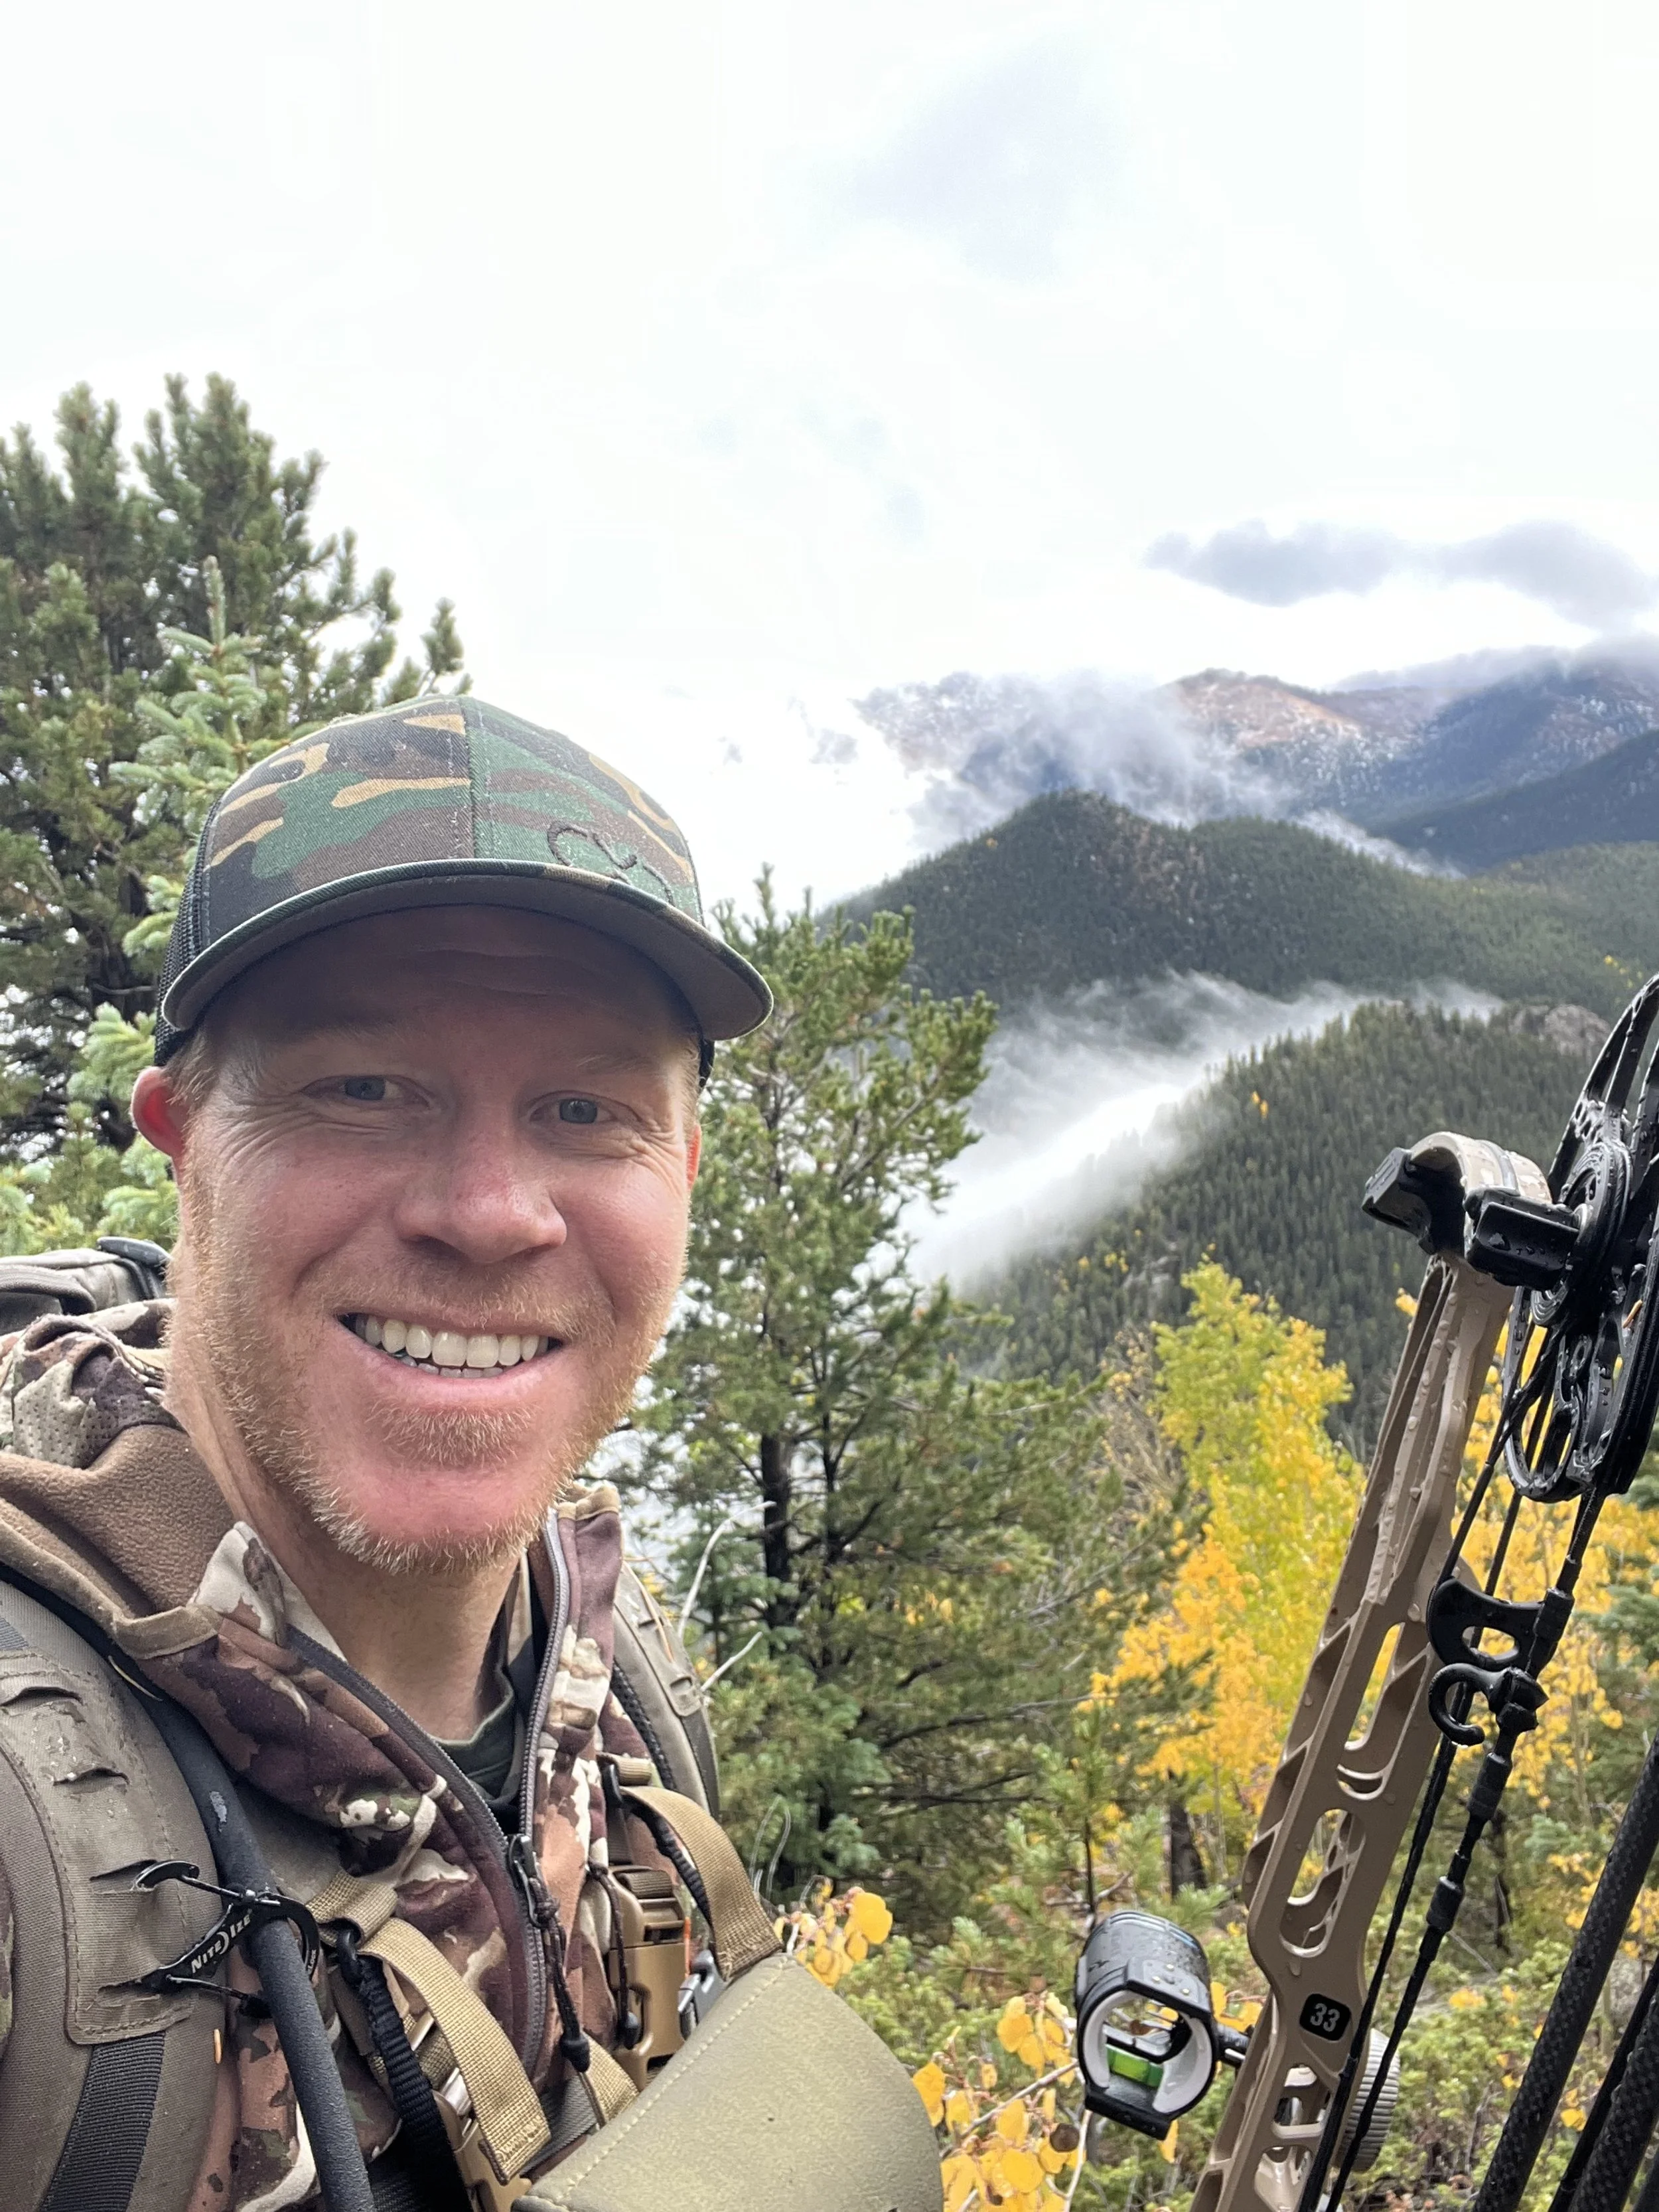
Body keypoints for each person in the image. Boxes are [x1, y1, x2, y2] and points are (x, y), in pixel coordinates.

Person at [0, 699, 939, 2212]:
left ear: (683, 1168)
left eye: (587, 1109)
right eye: (363, 1088)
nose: (491, 1210)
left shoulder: (607, 1666)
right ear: (183, 1139)